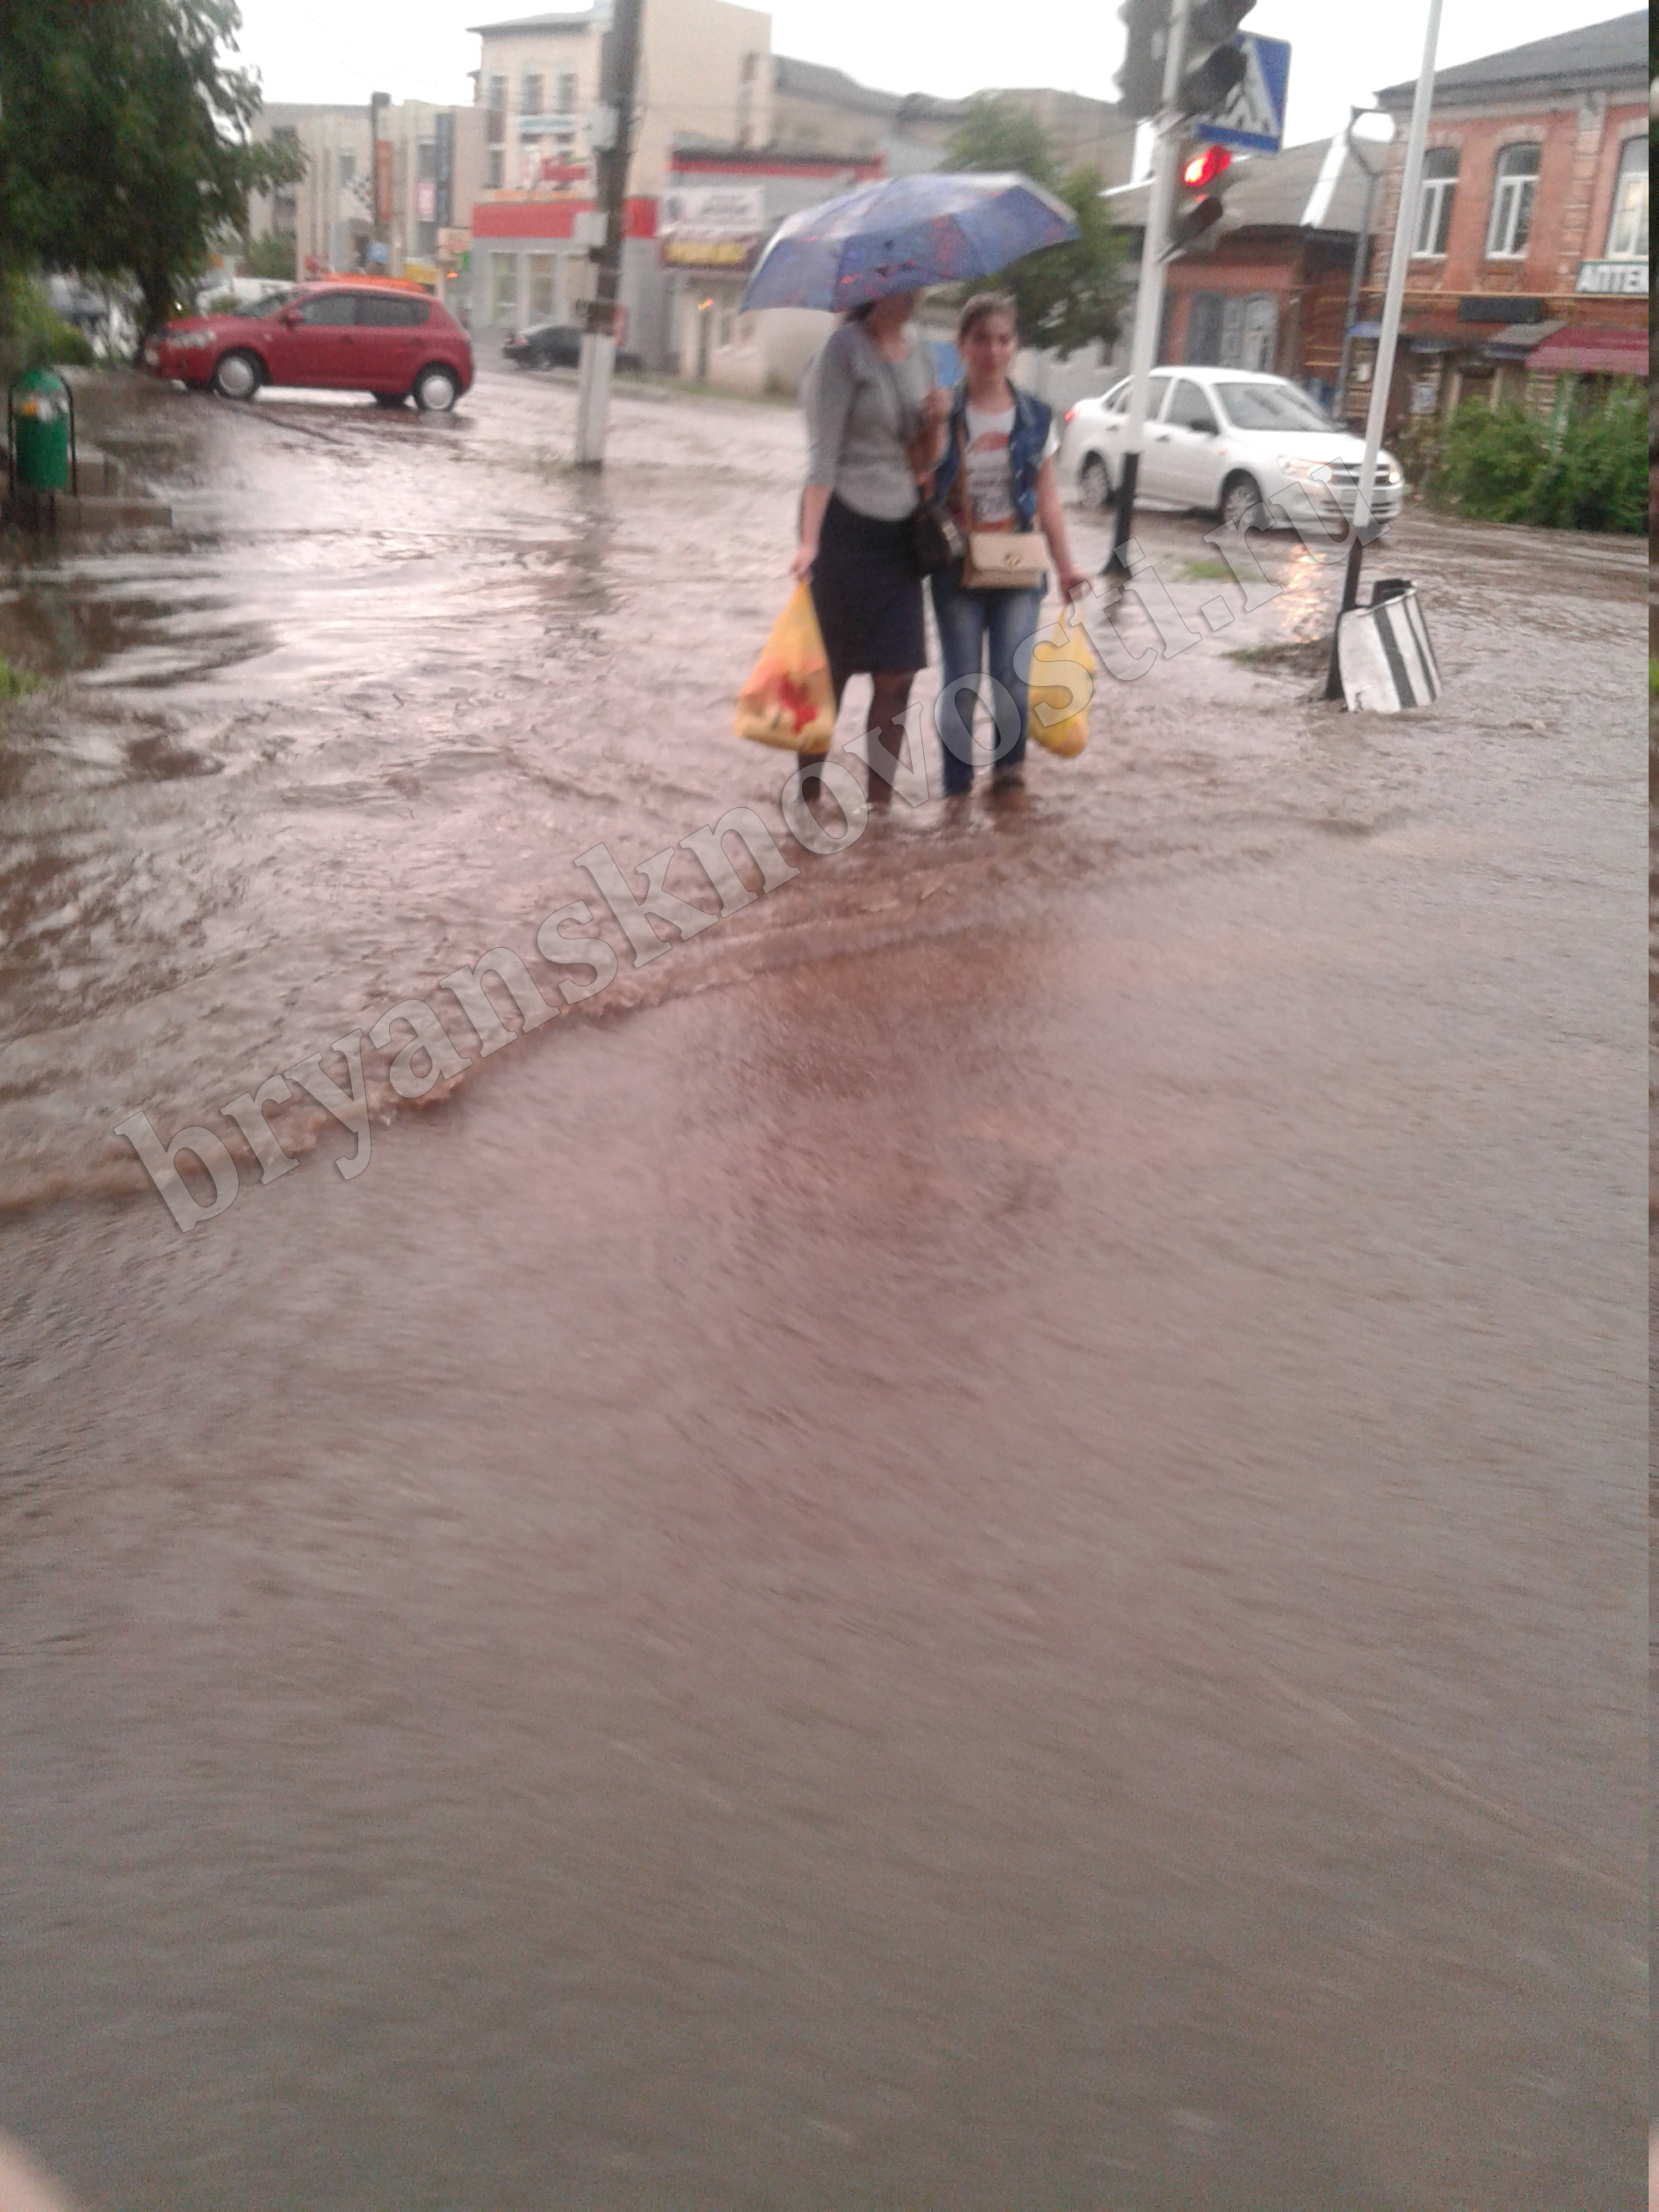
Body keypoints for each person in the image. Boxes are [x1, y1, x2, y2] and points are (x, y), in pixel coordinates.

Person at [928, 293, 1090, 796]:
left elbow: (1049, 501)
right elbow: (921, 483)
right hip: (956, 566)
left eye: (1003, 339)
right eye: (981, 340)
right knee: (961, 686)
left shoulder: (1036, 417)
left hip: (1019, 566)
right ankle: (956, 793)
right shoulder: (944, 410)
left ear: (1015, 346)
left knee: (1012, 683)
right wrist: (932, 425)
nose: (993, 351)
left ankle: (1008, 782)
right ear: (962, 346)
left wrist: (1067, 569)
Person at [793, 289, 950, 801]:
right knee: (830, 673)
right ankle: (809, 797)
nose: (915, 291)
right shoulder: (842, 352)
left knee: (897, 674)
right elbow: (821, 453)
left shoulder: (922, 353)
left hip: (900, 531)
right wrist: (809, 543)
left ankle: (878, 810)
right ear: (876, 286)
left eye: (918, 281)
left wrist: (939, 421)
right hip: (844, 528)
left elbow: (926, 459)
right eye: (904, 279)